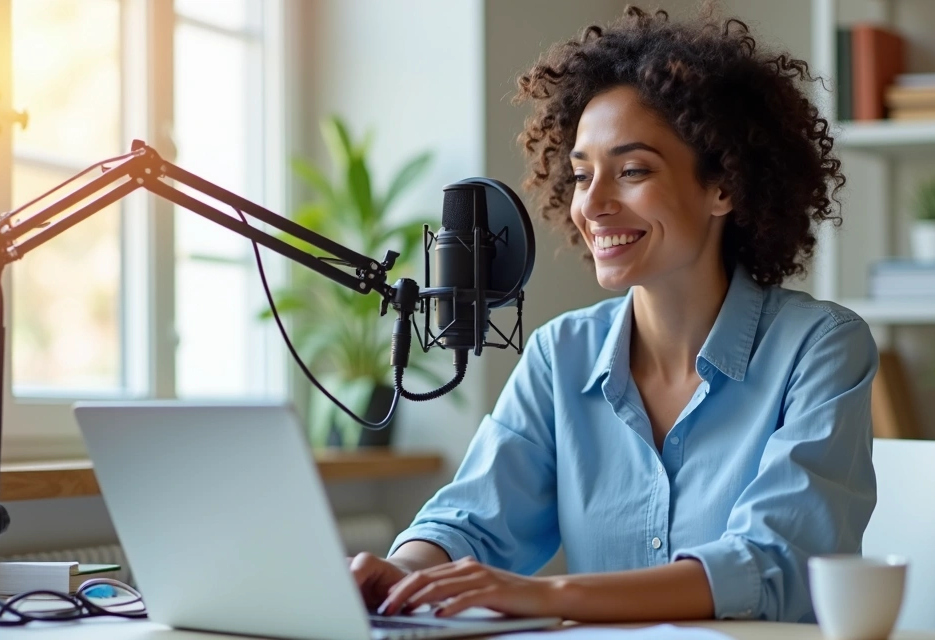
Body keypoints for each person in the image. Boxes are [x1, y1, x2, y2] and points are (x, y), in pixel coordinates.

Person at [350, 5, 878, 623]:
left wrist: (547, 595)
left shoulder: (820, 349)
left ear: (724, 187)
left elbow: (773, 564)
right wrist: (406, 571)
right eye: (580, 175)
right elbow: (470, 520)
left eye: (631, 171)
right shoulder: (559, 355)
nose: (593, 204)